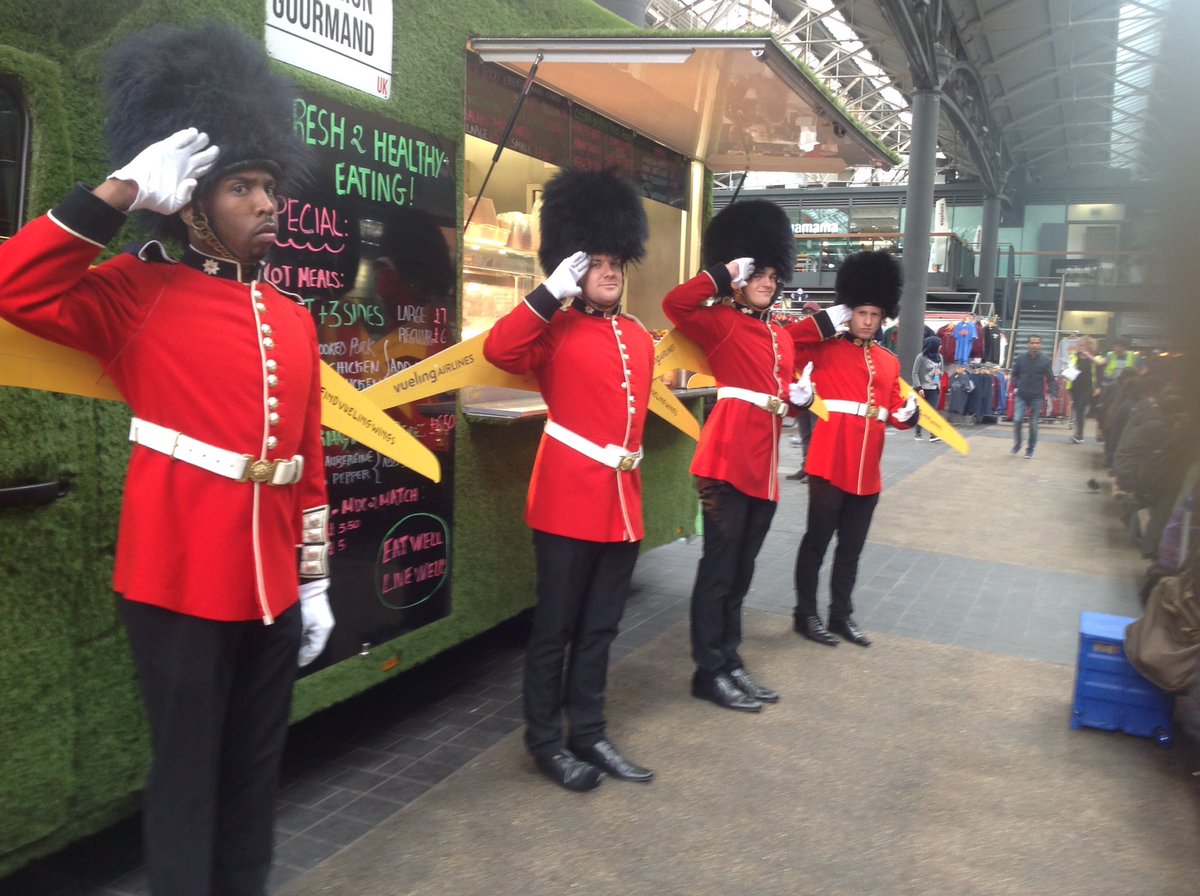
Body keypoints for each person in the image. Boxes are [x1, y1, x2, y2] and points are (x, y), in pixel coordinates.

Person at [0, 23, 333, 896]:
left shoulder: (292, 317)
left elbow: (306, 462)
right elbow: (14, 288)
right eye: (243, 187)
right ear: (193, 204)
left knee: (255, 779)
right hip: (178, 581)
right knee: (188, 783)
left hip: (271, 584)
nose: (267, 203)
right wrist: (114, 194)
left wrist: (317, 579)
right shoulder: (133, 291)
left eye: (269, 185)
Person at [483, 166, 655, 792]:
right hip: (565, 501)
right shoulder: (552, 328)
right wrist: (547, 294)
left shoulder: (637, 336)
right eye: (596, 260)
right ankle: (543, 741)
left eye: (617, 261)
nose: (609, 271)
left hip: (621, 503)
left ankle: (589, 731)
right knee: (555, 629)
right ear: (573, 263)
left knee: (601, 628)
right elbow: (500, 352)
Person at [662, 200, 800, 712]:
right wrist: (722, 273)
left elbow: (780, 389)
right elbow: (676, 304)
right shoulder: (719, 320)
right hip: (724, 464)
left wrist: (795, 398)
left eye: (772, 273)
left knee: (741, 573)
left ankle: (729, 657)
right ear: (741, 277)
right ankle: (707, 670)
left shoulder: (781, 336)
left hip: (764, 471)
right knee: (718, 572)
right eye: (757, 272)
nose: (767, 281)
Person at [786, 251, 918, 648]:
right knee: (817, 541)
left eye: (874, 314)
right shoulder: (824, 349)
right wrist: (826, 319)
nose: (866, 321)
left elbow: (894, 411)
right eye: (860, 312)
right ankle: (804, 614)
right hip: (829, 461)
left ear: (882, 318)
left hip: (868, 471)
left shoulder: (889, 362)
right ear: (849, 311)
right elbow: (786, 343)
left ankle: (841, 614)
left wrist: (909, 415)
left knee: (852, 549)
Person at [787, 300, 822, 482]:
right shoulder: (796, 333)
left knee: (816, 431)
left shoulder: (822, 337)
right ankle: (806, 466)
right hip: (799, 389)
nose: (808, 314)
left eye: (812, 312)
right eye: (806, 311)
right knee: (804, 431)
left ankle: (814, 469)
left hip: (816, 390)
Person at [1010, 334, 1056, 459]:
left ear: (1040, 345)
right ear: (1028, 344)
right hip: (1022, 394)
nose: (1034, 345)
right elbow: (1014, 374)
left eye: (1037, 343)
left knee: (1033, 425)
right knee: (1018, 419)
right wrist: (1016, 384)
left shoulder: (1045, 361)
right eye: (1032, 343)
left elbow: (1050, 378)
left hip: (1036, 396)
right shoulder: (1020, 359)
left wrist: (1053, 392)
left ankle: (1030, 449)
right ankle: (1018, 443)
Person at [911, 335, 945, 442]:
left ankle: (933, 434)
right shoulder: (921, 357)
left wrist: (939, 374)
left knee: (932, 411)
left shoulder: (940, 357)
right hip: (922, 388)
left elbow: (941, 372)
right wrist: (919, 386)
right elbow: (915, 373)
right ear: (933, 345)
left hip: (934, 387)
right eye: (939, 344)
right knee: (922, 411)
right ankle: (918, 432)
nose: (940, 346)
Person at [1066, 335, 1099, 443]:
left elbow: (1099, 372)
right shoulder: (1075, 356)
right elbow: (1070, 368)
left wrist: (1098, 387)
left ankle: (1079, 434)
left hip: (1088, 388)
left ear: (1089, 346)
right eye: (1079, 345)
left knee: (1080, 408)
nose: (1081, 347)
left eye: (1083, 345)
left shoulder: (1094, 358)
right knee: (1077, 410)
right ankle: (1078, 433)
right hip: (1075, 387)